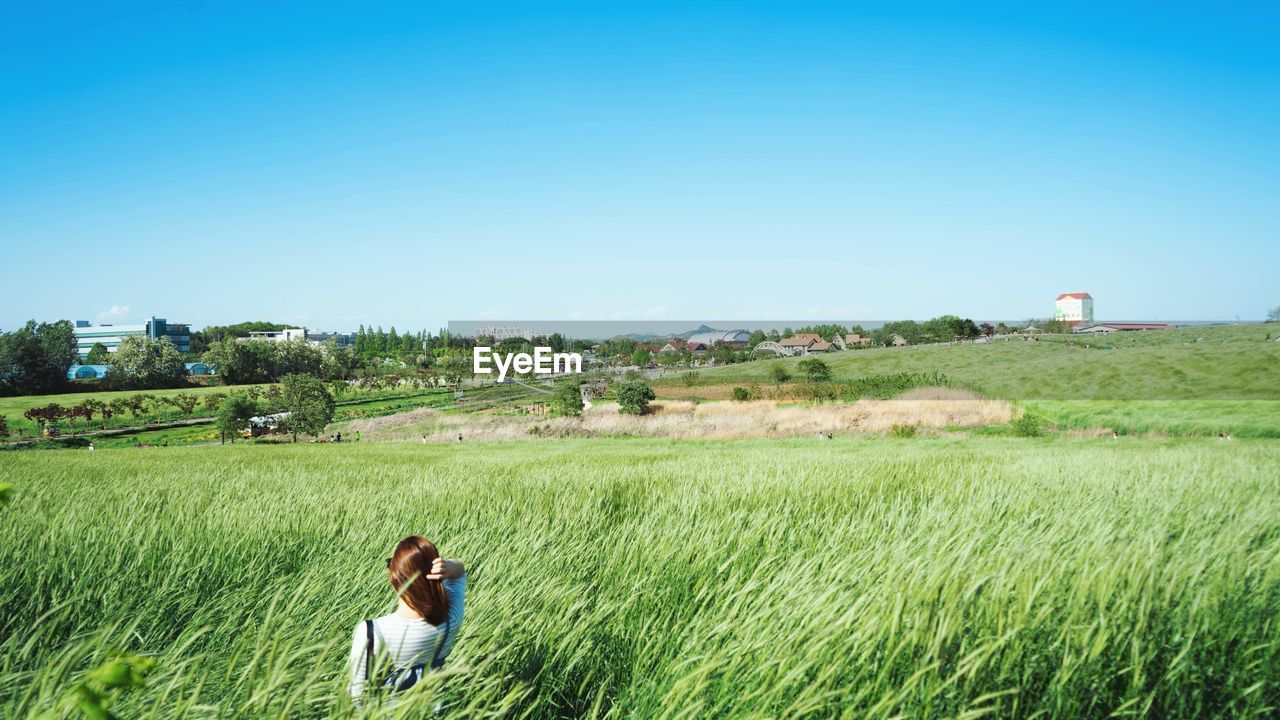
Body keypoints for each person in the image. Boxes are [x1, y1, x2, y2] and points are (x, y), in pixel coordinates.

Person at [348, 536, 466, 699]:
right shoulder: (451, 620)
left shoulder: (372, 632)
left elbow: (357, 698)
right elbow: (459, 573)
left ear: (395, 577)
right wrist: (447, 566)